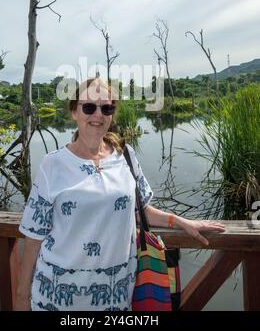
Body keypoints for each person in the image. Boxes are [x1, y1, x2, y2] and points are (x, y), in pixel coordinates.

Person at [15, 78, 225, 311]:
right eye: (89, 107)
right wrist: (22, 297)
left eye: (106, 108)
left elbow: (140, 210)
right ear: (74, 111)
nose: (98, 115)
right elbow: (33, 237)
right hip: (56, 297)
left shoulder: (125, 155)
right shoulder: (52, 165)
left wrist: (182, 221)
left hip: (117, 296)